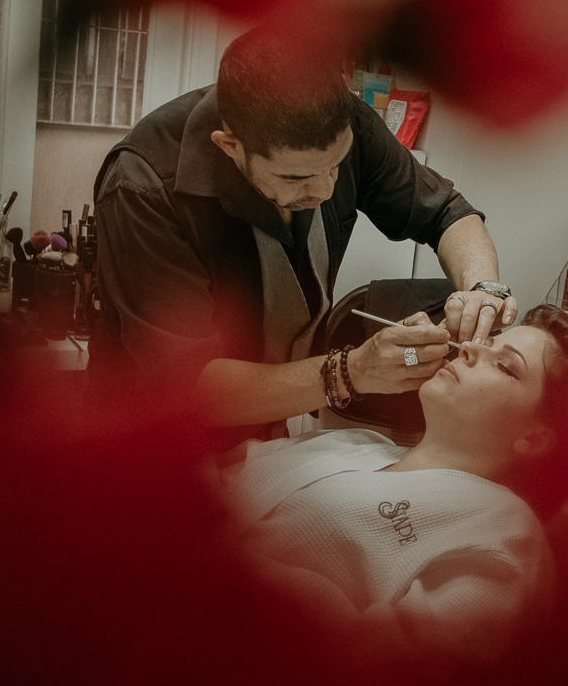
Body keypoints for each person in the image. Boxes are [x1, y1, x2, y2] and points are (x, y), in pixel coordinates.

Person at [89, 27, 517, 440]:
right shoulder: (142, 184)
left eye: (336, 165)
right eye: (296, 177)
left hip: (269, 435)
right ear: (230, 146)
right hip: (149, 439)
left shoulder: (345, 128)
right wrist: (353, 372)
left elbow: (446, 213)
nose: (326, 190)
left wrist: (484, 287)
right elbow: (185, 385)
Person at [215, 305, 568, 670]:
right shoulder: (362, 445)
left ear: (536, 437)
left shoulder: (505, 535)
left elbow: (373, 662)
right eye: (485, 342)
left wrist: (211, 559)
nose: (469, 347)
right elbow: (218, 480)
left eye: (504, 365)